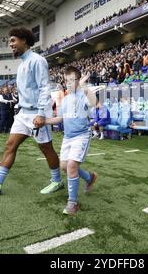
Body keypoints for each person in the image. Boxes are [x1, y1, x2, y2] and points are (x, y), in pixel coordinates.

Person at [0, 27, 63, 195]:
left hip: (37, 113)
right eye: (10, 42)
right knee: (10, 145)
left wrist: (41, 113)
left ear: (24, 41)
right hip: (23, 114)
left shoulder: (37, 60)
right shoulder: (21, 65)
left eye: (13, 41)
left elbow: (44, 88)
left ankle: (57, 181)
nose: (11, 45)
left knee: (46, 149)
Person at [44, 67, 98, 215]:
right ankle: (90, 177)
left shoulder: (83, 94)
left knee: (72, 166)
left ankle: (73, 203)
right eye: (66, 80)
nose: (68, 83)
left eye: (71, 80)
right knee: (64, 166)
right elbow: (60, 118)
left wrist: (84, 86)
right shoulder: (66, 99)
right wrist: (45, 121)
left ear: (78, 80)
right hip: (67, 137)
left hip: (81, 135)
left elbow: (94, 102)